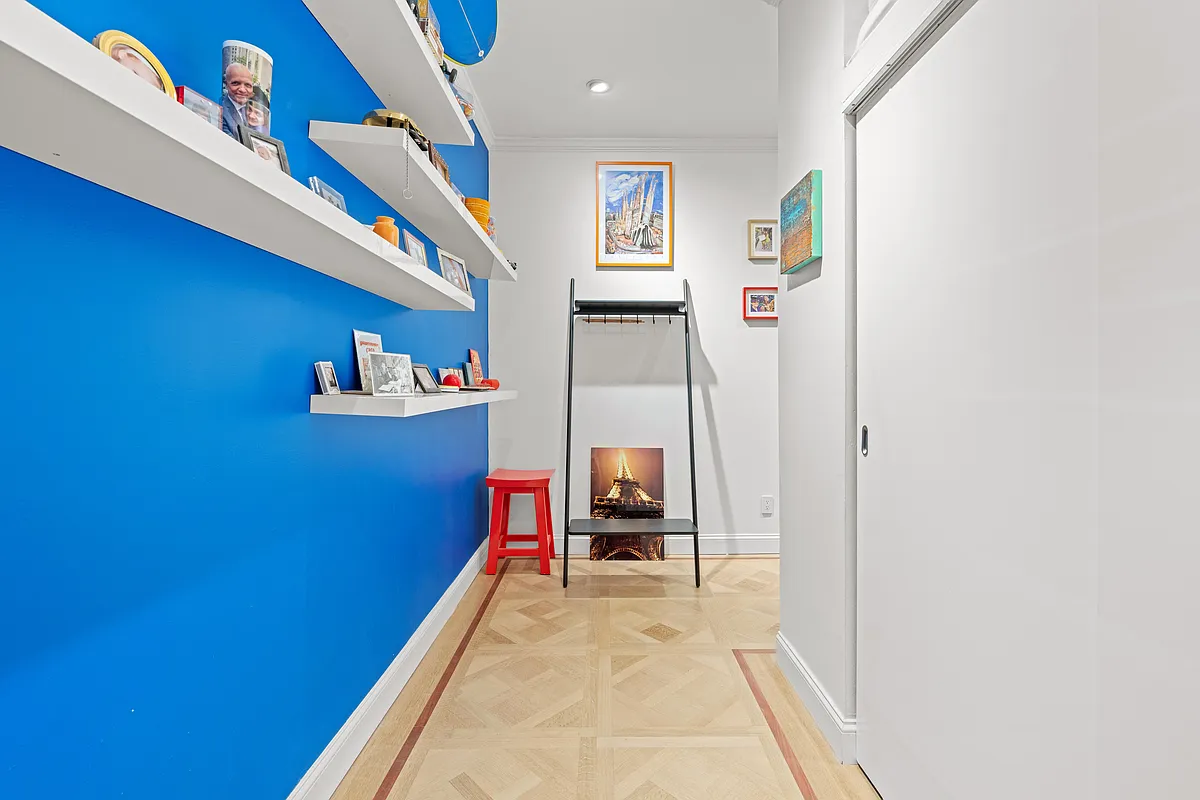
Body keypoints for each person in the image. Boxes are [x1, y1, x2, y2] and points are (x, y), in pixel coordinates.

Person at [221, 63, 262, 137]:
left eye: (247, 85)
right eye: (236, 83)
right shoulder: (221, 112)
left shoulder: (251, 110)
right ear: (227, 85)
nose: (242, 90)